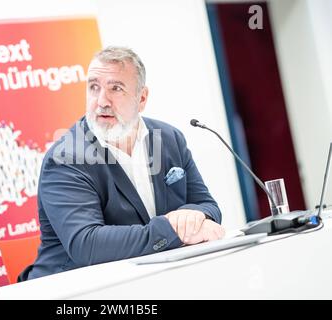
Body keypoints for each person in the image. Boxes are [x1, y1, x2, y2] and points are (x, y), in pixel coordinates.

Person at [20, 46, 225, 281]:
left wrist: (195, 215)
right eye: (94, 87)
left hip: (147, 277)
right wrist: (174, 229)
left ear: (142, 98)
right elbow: (87, 244)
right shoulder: (65, 158)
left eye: (115, 88)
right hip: (74, 288)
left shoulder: (169, 138)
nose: (101, 101)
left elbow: (206, 205)